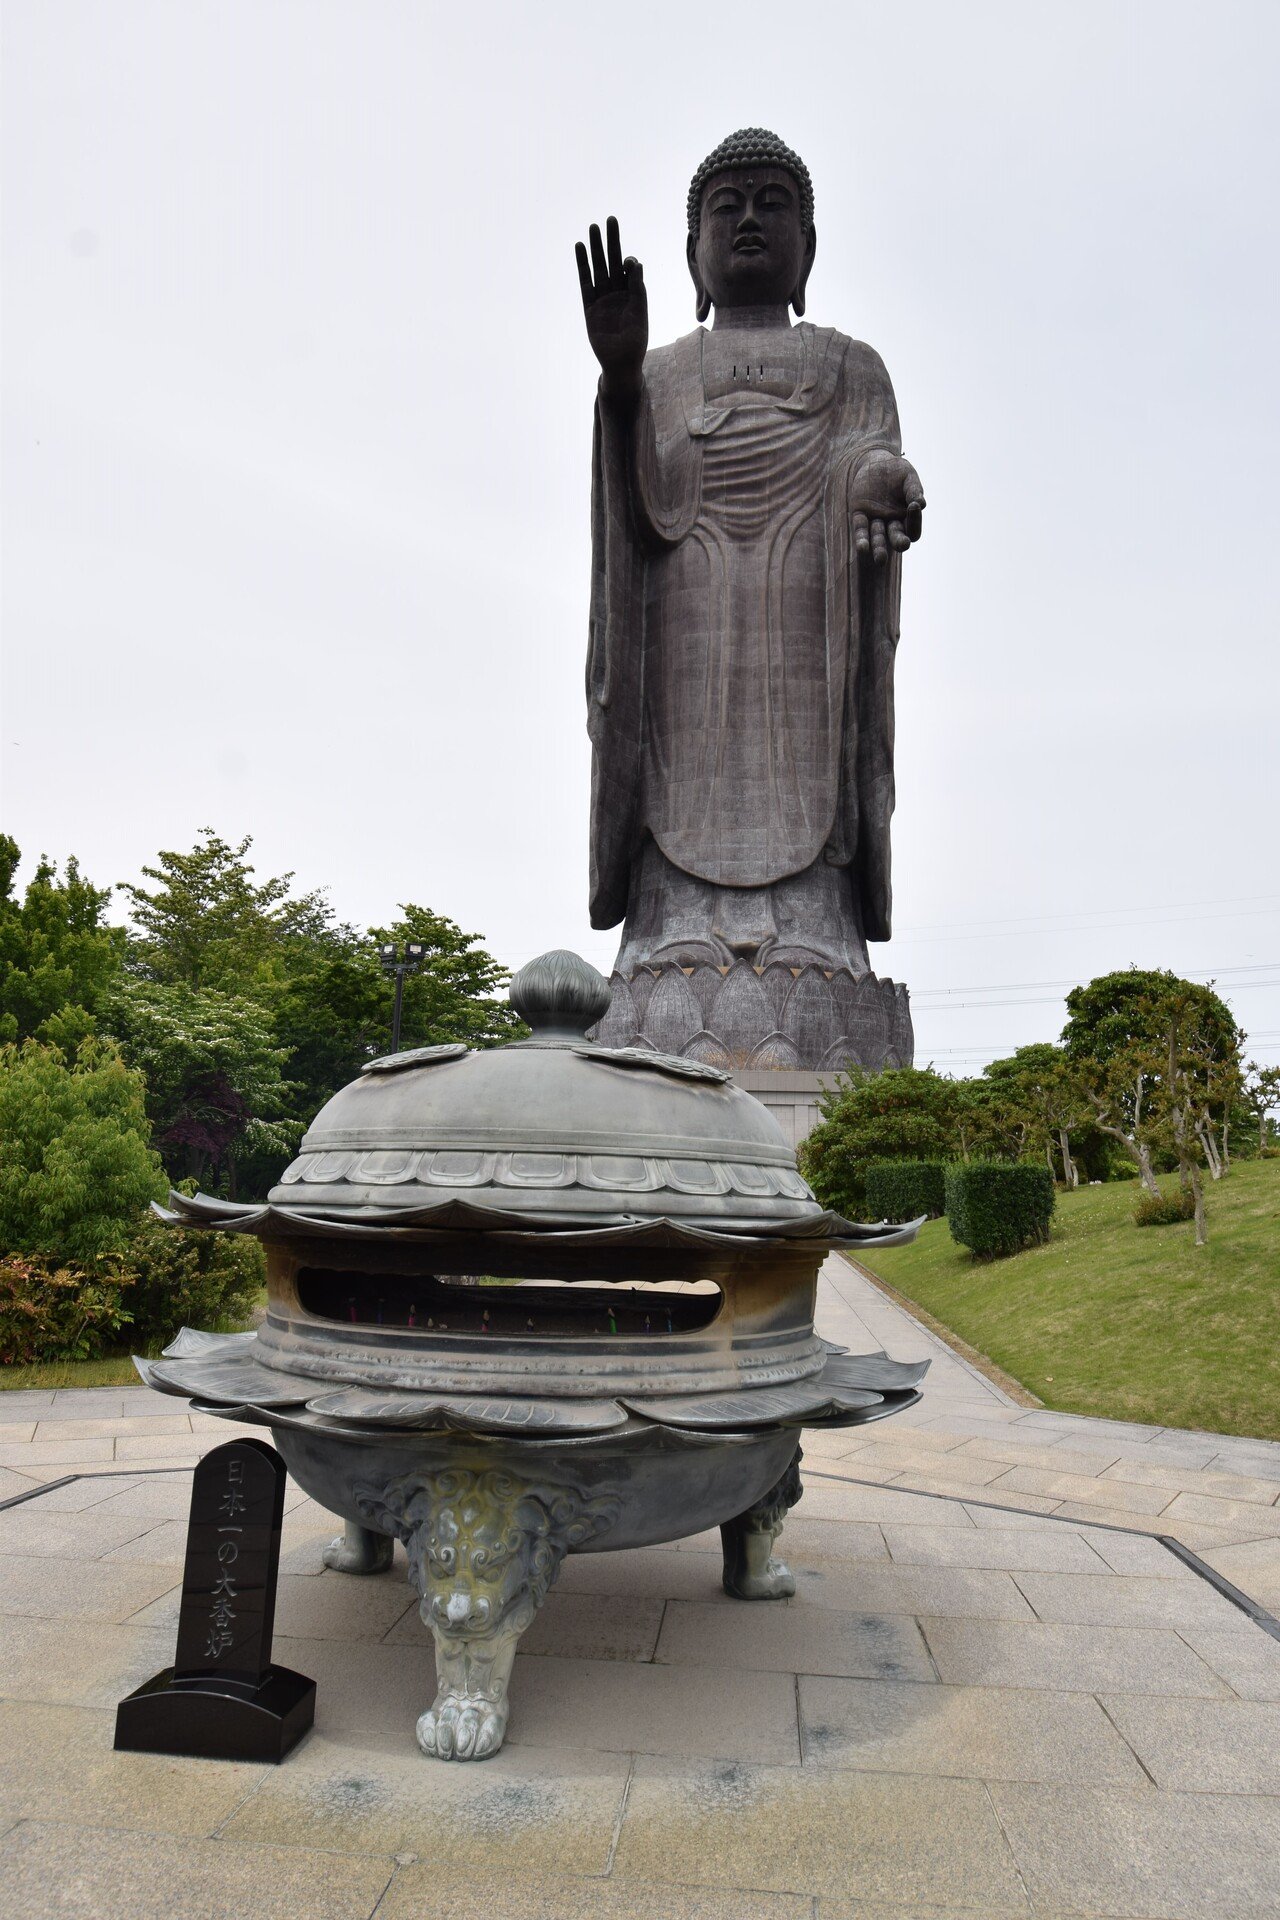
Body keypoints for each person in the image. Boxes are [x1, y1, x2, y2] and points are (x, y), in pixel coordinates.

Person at [577, 129, 924, 978]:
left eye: (774, 204)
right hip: (683, 608)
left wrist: (878, 478)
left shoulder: (851, 366)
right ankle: (665, 929)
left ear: (808, 248)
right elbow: (636, 512)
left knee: (812, 742)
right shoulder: (659, 371)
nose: (748, 222)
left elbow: (868, 453)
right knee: (675, 747)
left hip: (809, 604)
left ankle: (816, 927)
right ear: (693, 258)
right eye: (724, 209)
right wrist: (620, 382)